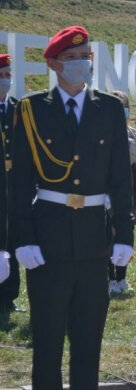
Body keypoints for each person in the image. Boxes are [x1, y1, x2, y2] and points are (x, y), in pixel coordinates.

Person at [11, 26, 134, 388]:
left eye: (85, 58)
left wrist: (124, 233)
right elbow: (18, 184)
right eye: (71, 59)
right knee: (46, 344)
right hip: (47, 242)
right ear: (53, 64)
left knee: (88, 343)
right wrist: (23, 238)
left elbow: (120, 180)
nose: (81, 65)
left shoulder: (109, 108)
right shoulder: (32, 109)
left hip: (94, 240)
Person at [108, 90, 136, 294]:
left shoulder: (133, 135)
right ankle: (110, 278)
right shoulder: (102, 133)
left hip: (129, 188)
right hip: (109, 189)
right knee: (109, 233)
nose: (122, 111)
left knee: (126, 232)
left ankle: (122, 277)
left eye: (125, 107)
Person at [0, 53, 20, 312]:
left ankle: (9, 296)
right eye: (0, 76)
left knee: (13, 240)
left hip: (14, 188)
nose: (5, 81)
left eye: (7, 76)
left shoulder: (19, 109)